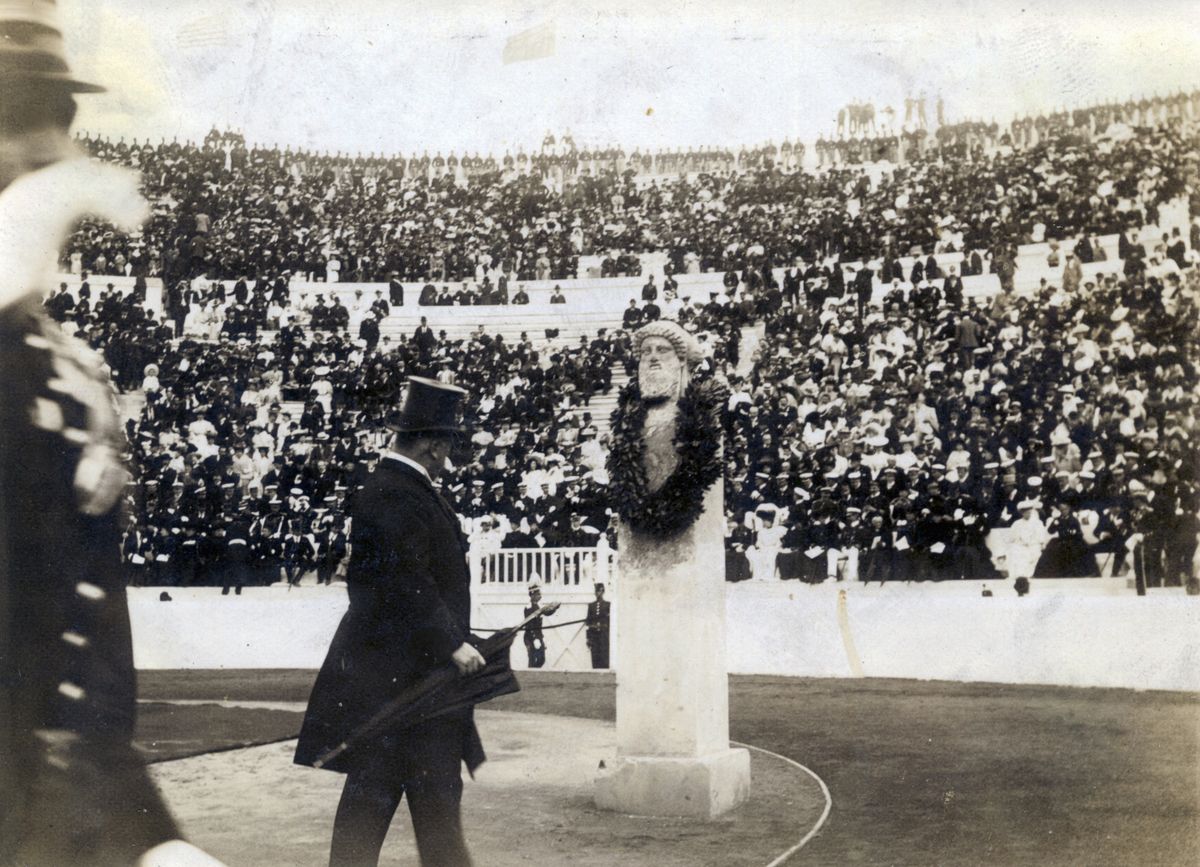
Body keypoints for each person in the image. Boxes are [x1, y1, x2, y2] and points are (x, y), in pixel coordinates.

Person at [0, 5, 223, 865]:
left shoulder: (64, 375)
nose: (49, 148)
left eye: (57, 117)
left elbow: (78, 690)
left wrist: (151, 845)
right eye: (15, 118)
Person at [295, 377, 486, 867]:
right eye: (447, 447)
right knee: (403, 804)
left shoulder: (398, 488)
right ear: (432, 444)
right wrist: (453, 645)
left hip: (404, 684)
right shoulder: (396, 492)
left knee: (398, 801)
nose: (449, 457)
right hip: (408, 685)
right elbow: (408, 580)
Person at [585, 583, 611, 669]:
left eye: (599, 591)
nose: (597, 593)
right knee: (595, 658)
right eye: (596, 591)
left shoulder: (608, 605)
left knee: (604, 657)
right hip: (594, 636)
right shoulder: (591, 606)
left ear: (603, 591)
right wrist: (588, 638)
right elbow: (588, 623)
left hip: (604, 635)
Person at [523, 581, 549, 668]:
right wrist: (535, 639)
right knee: (532, 660)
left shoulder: (537, 606)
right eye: (538, 594)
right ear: (533, 595)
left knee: (541, 659)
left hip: (538, 636)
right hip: (531, 637)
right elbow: (529, 625)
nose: (540, 596)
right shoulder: (529, 607)